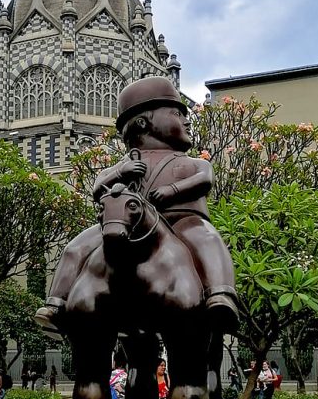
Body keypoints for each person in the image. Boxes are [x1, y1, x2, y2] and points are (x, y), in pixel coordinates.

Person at [36, 76, 238, 337]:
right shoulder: (126, 163)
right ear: (144, 123)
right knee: (76, 248)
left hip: (182, 219)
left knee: (207, 238)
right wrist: (120, 172)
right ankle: (57, 304)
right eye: (177, 113)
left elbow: (205, 178)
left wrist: (171, 190)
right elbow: (99, 189)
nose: (187, 121)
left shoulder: (191, 162)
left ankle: (220, 295)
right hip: (131, 226)